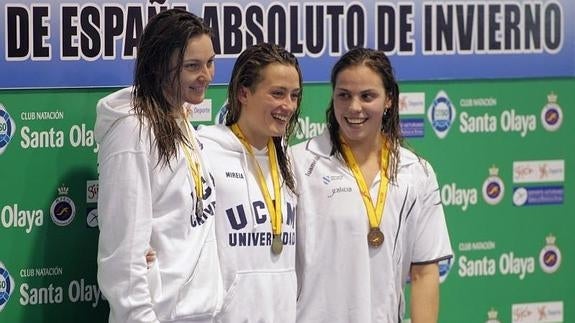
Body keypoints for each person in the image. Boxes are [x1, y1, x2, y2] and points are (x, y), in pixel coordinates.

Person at [291, 47, 453, 323]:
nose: (354, 107)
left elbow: (425, 271)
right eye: (344, 95)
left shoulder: (416, 172)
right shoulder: (298, 162)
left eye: (367, 96)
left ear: (389, 99)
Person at [95, 9, 222, 323]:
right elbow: (123, 256)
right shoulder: (132, 132)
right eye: (192, 66)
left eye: (210, 62)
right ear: (158, 66)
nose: (206, 75)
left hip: (198, 313)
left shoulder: (181, 121)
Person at [196, 43, 302, 323]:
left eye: (294, 96)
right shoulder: (205, 151)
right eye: (277, 93)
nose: (288, 106)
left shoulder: (289, 161)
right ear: (243, 93)